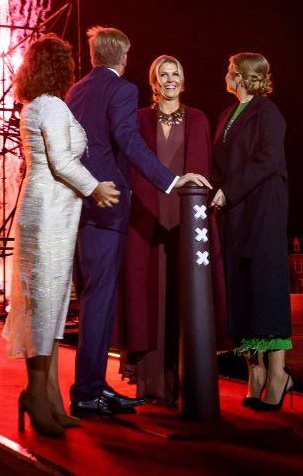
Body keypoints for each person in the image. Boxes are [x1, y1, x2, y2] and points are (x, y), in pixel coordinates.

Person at [65, 27, 211, 419]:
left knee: (93, 300)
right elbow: (129, 142)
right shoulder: (123, 90)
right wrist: (171, 179)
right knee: (99, 303)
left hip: (78, 209)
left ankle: (92, 387)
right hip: (109, 206)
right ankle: (87, 393)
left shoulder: (74, 92)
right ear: (124, 57)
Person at [3, 33, 122, 437]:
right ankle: (37, 396)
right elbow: (62, 162)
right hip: (49, 211)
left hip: (50, 210)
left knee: (49, 306)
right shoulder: (51, 106)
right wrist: (97, 188)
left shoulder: (37, 104)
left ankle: (47, 395)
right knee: (44, 305)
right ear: (59, 66)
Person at [118, 54, 229, 406]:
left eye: (175, 74)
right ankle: (150, 385)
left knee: (186, 295)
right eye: (162, 75)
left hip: (185, 218)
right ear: (153, 82)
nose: (169, 80)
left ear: (183, 81)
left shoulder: (198, 119)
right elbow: (127, 166)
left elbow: (200, 170)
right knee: (148, 295)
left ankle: (188, 384)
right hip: (146, 219)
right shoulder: (137, 119)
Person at [209, 52, 293, 411]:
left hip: (261, 209)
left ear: (243, 76)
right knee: (240, 288)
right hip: (234, 211)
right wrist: (211, 189)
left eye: (231, 70)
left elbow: (268, 159)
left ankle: (278, 375)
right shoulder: (226, 115)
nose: (226, 74)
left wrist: (229, 190)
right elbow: (217, 165)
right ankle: (254, 373)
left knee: (265, 287)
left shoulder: (267, 112)